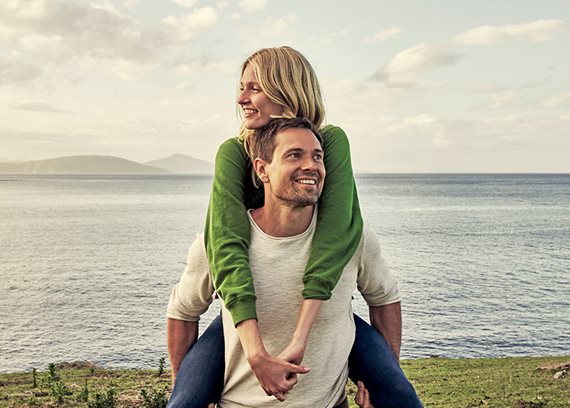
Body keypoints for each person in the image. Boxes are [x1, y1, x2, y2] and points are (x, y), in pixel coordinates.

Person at [167, 46, 423, 407]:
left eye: (254, 88)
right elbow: (224, 243)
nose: (241, 98)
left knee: (397, 396)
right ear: (261, 168)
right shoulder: (234, 152)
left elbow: (335, 234)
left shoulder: (330, 141)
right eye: (242, 87)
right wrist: (252, 351)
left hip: (327, 306)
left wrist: (306, 338)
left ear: (284, 88)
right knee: (184, 401)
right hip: (242, 311)